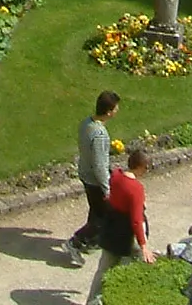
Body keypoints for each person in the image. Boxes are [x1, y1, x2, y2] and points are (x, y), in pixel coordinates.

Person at [84, 147, 157, 304]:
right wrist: (144, 245)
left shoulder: (116, 176)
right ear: (141, 166)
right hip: (126, 236)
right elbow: (137, 219)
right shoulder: (136, 189)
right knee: (127, 273)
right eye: (146, 167)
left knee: (103, 270)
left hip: (111, 230)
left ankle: (92, 301)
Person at [63, 89, 120, 267]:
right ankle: (75, 243)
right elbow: (100, 165)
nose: (117, 111)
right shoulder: (100, 135)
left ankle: (91, 241)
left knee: (95, 210)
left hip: (85, 173)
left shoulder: (86, 123)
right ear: (109, 112)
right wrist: (107, 189)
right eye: (116, 108)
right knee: (102, 218)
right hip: (95, 180)